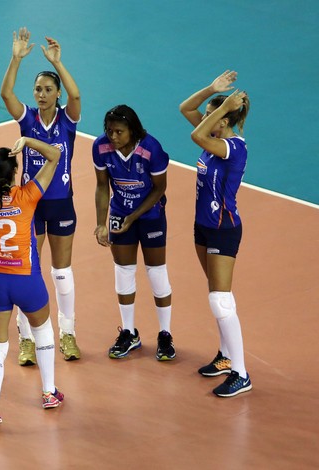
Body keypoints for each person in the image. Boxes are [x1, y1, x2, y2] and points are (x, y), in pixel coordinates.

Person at [0, 134, 65, 427]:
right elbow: (55, 156)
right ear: (15, 173)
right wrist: (27, 141)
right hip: (26, 280)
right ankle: (48, 393)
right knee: (43, 330)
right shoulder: (27, 195)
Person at [0, 27, 82, 365]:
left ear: (57, 92)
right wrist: (16, 59)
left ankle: (68, 333)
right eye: (37, 89)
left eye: (48, 90)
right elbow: (6, 95)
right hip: (29, 205)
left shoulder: (68, 120)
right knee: (27, 269)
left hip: (61, 202)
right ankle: (27, 339)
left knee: (61, 272)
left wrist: (57, 63)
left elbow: (77, 96)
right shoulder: (28, 119)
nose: (41, 94)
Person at [179, 70, 252, 397]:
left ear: (222, 123)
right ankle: (225, 356)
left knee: (220, 300)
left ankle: (241, 372)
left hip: (224, 229)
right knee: (216, 295)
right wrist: (212, 89)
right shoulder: (213, 137)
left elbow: (197, 135)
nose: (205, 119)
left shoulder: (232, 147)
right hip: (203, 227)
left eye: (211, 116)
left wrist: (219, 110)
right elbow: (185, 109)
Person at [93, 105, 175, 361]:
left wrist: (133, 217)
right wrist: (101, 222)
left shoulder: (152, 148)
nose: (113, 137)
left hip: (149, 215)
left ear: (133, 131)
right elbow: (101, 185)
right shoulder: (101, 147)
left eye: (119, 132)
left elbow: (159, 189)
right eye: (109, 131)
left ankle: (165, 334)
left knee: (156, 272)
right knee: (124, 271)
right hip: (119, 213)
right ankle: (129, 332)